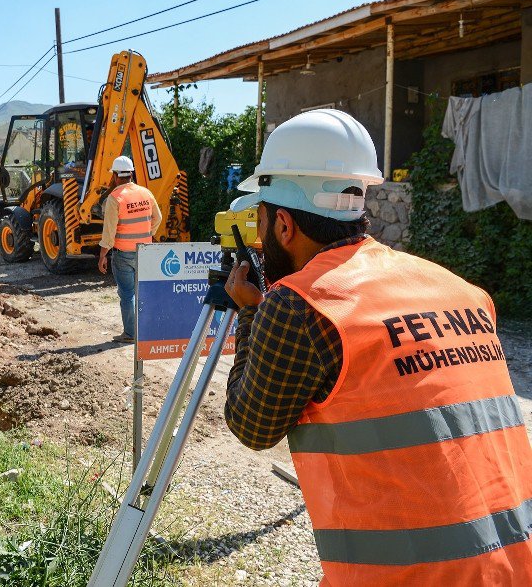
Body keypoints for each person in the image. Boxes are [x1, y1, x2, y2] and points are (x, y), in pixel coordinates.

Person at [223, 109, 532, 585]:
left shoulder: (300, 305)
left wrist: (250, 310)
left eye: (262, 220)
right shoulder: (461, 290)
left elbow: (251, 425)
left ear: (284, 225)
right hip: (516, 563)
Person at [98, 155, 162, 344]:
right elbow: (157, 218)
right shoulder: (146, 193)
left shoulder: (114, 198)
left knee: (127, 294)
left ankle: (130, 334)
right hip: (145, 252)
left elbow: (109, 231)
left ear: (116, 175)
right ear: (132, 173)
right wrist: (146, 233)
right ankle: (147, 331)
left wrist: (102, 255)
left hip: (123, 254)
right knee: (144, 292)